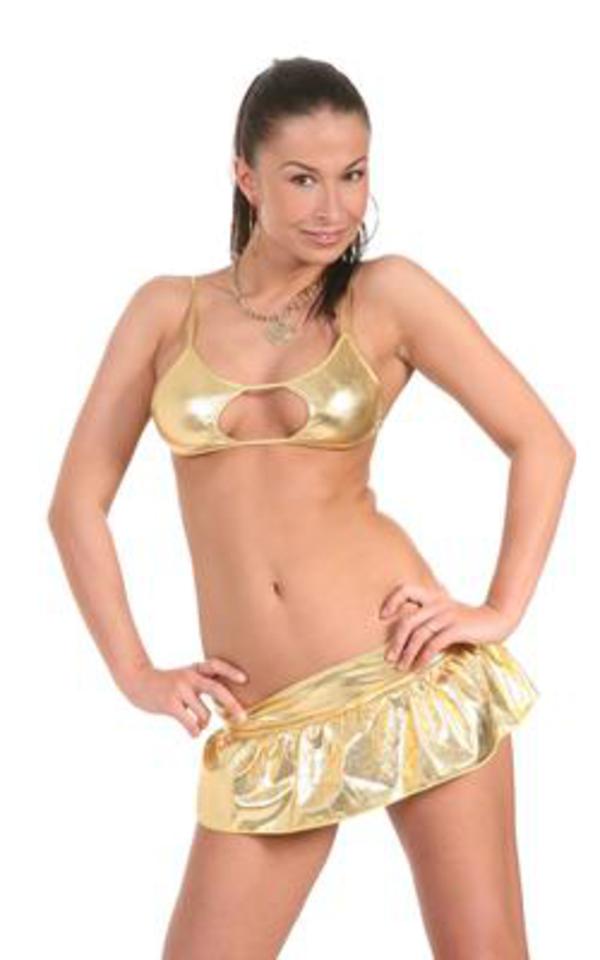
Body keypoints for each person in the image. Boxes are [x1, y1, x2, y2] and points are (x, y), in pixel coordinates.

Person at [48, 56, 575, 960]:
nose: (334, 207)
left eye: (353, 174)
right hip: (270, 719)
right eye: (302, 178)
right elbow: (76, 504)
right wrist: (135, 672)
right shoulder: (166, 311)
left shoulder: (389, 294)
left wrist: (497, 610)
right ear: (245, 176)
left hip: (408, 675)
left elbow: (542, 444)